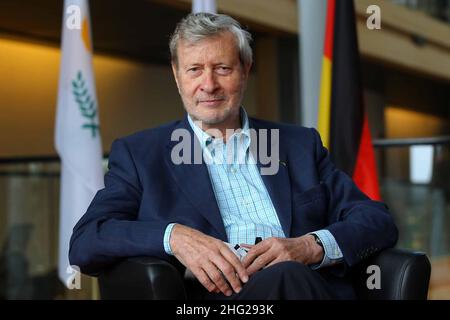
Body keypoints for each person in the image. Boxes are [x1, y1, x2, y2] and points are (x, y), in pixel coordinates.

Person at [69, 13, 398, 300]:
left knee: (289, 274)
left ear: (245, 69)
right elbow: (87, 239)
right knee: (286, 277)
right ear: (176, 74)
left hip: (308, 286)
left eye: (222, 68)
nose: (208, 84)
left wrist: (310, 246)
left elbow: (376, 220)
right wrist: (173, 236)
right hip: (216, 301)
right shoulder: (142, 155)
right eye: (194, 69)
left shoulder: (297, 144)